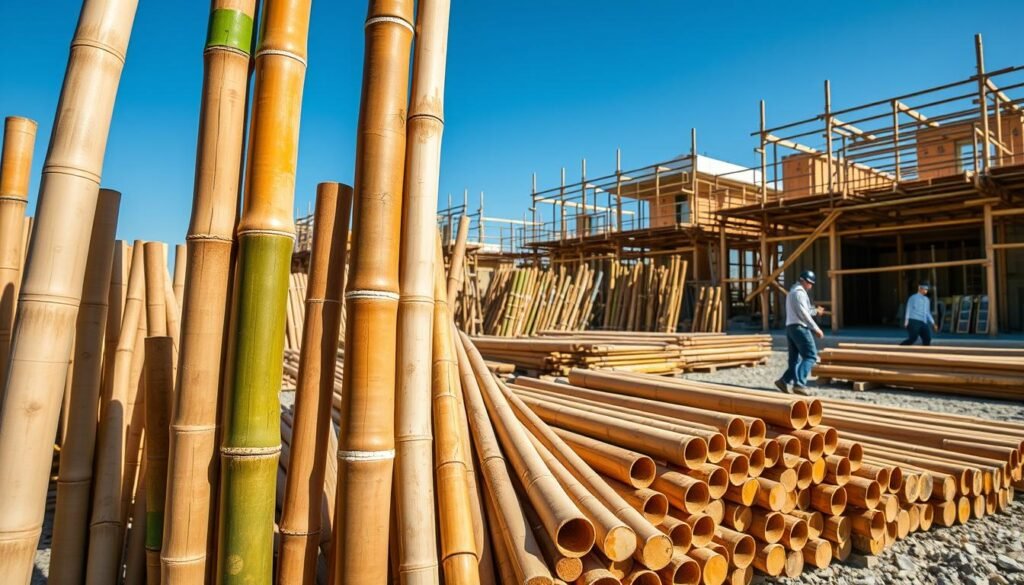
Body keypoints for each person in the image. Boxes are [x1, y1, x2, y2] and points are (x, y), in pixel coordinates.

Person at [775, 270, 824, 396]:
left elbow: (805, 310)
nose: (810, 286)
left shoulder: (793, 292)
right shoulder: (800, 293)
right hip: (800, 327)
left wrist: (815, 311)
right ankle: (799, 384)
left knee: (794, 360)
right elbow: (803, 314)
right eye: (809, 283)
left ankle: (784, 381)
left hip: (791, 328)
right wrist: (815, 328)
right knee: (811, 356)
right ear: (803, 281)